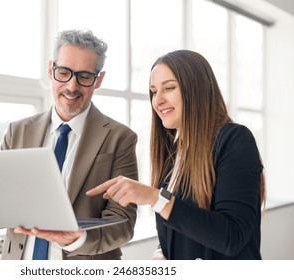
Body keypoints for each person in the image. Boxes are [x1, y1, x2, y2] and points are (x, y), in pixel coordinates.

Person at [0, 29, 138, 260]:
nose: (72, 86)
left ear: (98, 80)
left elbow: (123, 222)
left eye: (84, 76)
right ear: (51, 70)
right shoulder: (18, 132)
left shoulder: (120, 138)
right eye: (64, 72)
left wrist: (77, 239)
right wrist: (18, 206)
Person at [87, 49, 266, 260]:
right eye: (153, 91)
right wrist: (163, 252)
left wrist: (155, 197)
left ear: (196, 90)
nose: (158, 100)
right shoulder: (175, 154)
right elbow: (185, 222)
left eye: (169, 88)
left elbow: (231, 237)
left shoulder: (235, 140)